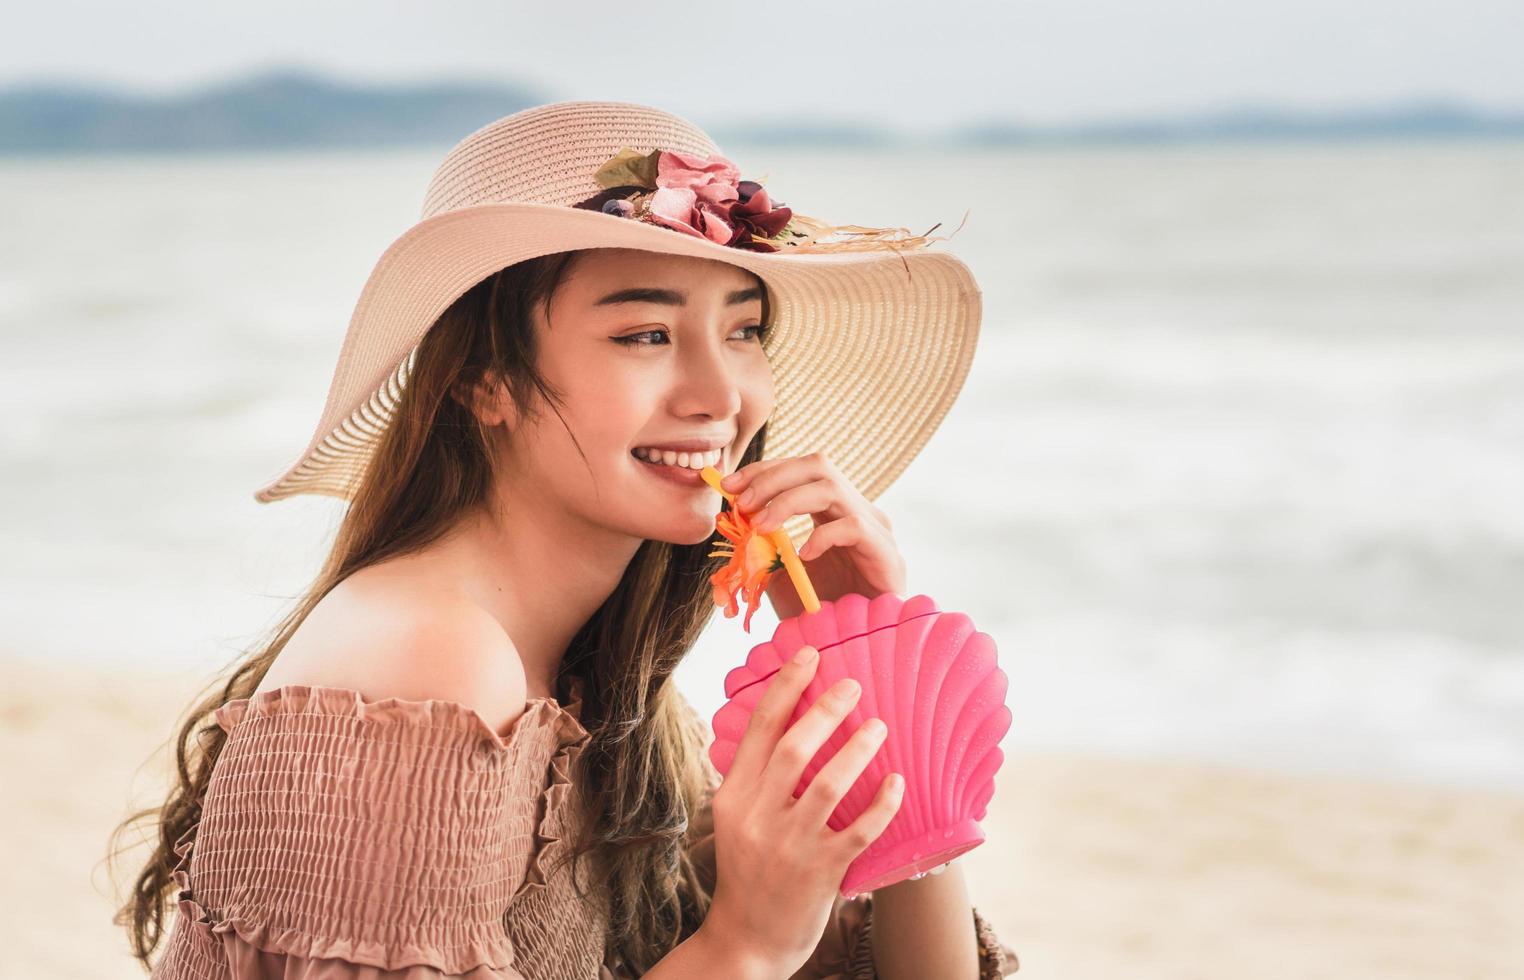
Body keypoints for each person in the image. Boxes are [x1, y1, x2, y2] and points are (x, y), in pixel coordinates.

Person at [112, 100, 1018, 979]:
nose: (719, 395)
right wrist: (745, 947)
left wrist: (872, 661)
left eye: (743, 329)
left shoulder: (612, 702)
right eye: (646, 333)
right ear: (485, 382)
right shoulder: (429, 660)